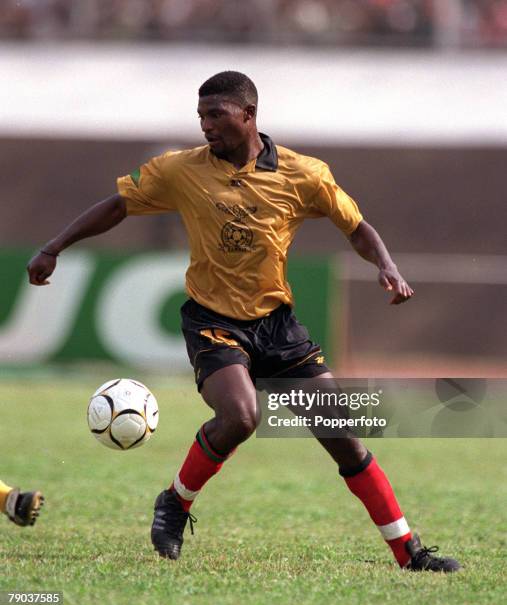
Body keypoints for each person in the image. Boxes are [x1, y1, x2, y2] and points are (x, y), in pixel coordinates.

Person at [27, 71, 459, 572]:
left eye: (216, 115)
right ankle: (175, 502)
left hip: (276, 325)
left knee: (342, 433)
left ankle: (407, 552)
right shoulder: (180, 170)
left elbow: (356, 227)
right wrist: (54, 246)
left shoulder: (305, 174)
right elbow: (118, 205)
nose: (206, 126)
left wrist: (385, 265)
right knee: (241, 416)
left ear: (249, 115)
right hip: (212, 321)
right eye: (201, 116)